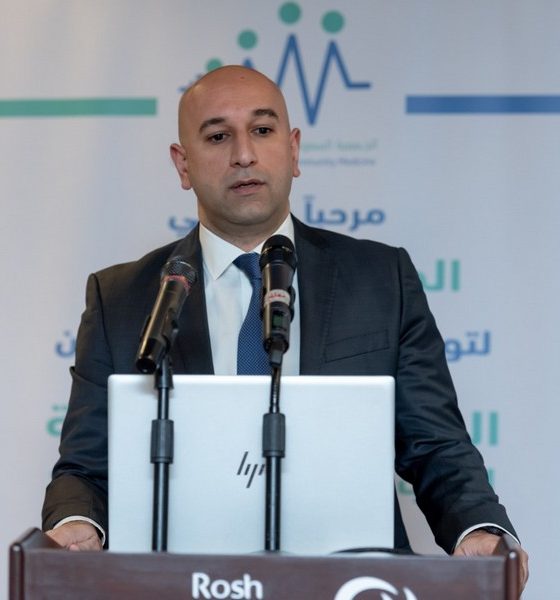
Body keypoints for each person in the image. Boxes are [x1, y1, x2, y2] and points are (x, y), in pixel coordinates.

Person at [42, 65, 528, 590]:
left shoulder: (381, 279)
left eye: (262, 130)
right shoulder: (124, 298)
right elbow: (85, 467)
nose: (243, 154)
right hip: (184, 585)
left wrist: (479, 530)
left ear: (293, 150)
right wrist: (75, 525)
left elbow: (435, 444)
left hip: (354, 585)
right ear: (183, 164)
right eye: (218, 136)